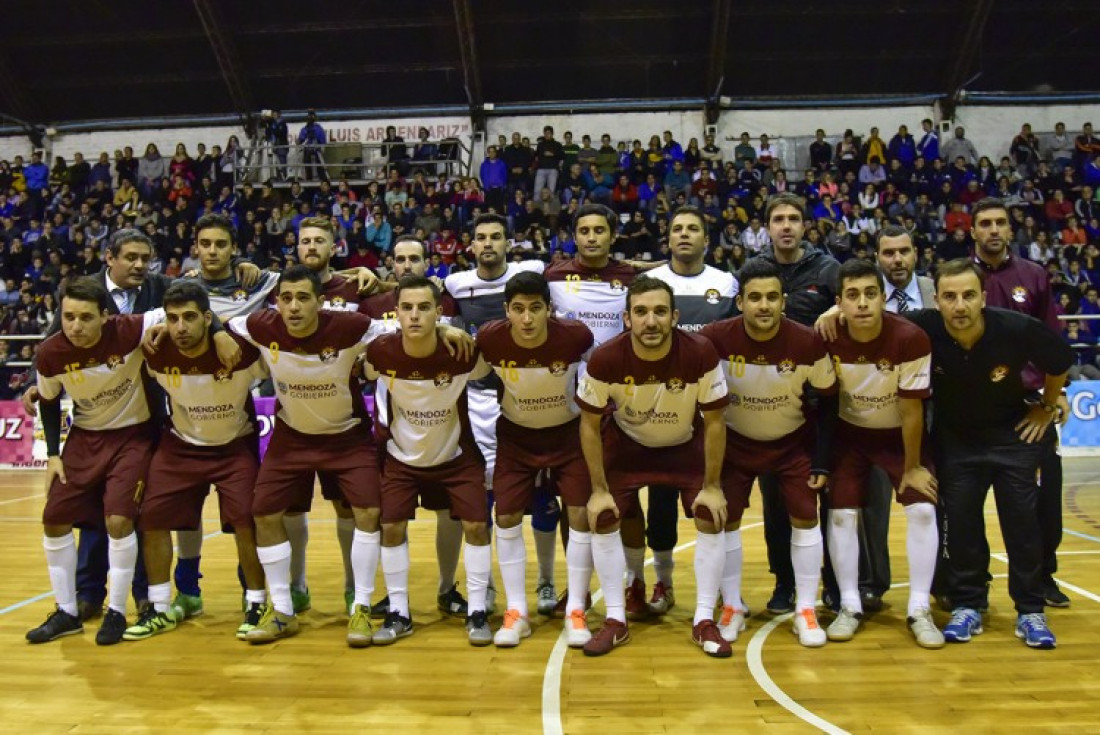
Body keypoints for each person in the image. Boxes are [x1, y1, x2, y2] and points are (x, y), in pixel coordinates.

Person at [226, 266, 462, 646]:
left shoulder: (350, 326)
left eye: (303, 298)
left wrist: (445, 328)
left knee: (369, 513)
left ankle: (363, 608)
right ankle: (282, 609)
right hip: (292, 437)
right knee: (263, 514)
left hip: (347, 437)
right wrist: (219, 334)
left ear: (321, 302)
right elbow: (218, 321)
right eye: (285, 298)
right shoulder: (260, 325)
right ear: (276, 303)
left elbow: (402, 329)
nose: (293, 306)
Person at [25, 277, 236, 645]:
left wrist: (218, 332)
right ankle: (67, 611)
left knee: (120, 520)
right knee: (54, 519)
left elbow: (189, 309)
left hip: (133, 435)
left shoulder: (131, 329)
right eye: (69, 317)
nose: (75, 326)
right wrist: (54, 456)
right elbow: (47, 399)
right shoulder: (50, 353)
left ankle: (119, 611)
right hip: (84, 437)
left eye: (85, 318)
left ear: (105, 317)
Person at [908, 260, 1072, 649]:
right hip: (956, 442)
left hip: (1012, 438)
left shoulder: (1016, 327)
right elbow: (873, 318)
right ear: (937, 301)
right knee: (962, 525)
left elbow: (1060, 362)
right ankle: (969, 604)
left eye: (968, 295)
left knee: (1022, 524)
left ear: (983, 297)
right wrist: (832, 312)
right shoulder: (923, 326)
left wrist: (1045, 407)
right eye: (949, 297)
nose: (959, 305)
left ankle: (1030, 610)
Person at [576, 276, 729, 657]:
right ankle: (616, 618)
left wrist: (713, 485)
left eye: (660, 311)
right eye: (641, 312)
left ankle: (704, 620)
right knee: (605, 515)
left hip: (683, 447)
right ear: (627, 318)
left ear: (675, 316)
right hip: (628, 448)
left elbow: (714, 421)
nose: (651, 321)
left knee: (710, 513)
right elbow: (589, 424)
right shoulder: (606, 357)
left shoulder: (700, 352)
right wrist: (597, 491)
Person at [698, 258, 837, 647]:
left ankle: (806, 610)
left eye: (772, 297)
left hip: (792, 443)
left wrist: (823, 459)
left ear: (784, 301)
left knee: (805, 518)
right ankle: (731, 606)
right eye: (755, 298)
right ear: (740, 302)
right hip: (735, 444)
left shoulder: (808, 342)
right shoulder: (714, 337)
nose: (763, 305)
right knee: (726, 521)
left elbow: (829, 401)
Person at [125, 282, 268, 641]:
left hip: (234, 445)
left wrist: (221, 330)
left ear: (208, 318)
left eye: (190, 317)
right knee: (152, 518)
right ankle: (158, 607)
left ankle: (256, 602)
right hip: (181, 447)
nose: (180, 327)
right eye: (172, 319)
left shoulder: (242, 351)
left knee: (247, 523)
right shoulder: (155, 351)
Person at [364, 275, 493, 646]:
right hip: (401, 458)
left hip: (454, 456)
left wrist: (458, 333)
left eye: (424, 308)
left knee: (476, 527)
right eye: (407, 307)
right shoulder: (380, 353)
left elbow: (490, 354)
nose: (415, 315)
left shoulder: (462, 353)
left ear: (439, 312)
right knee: (390, 530)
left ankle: (477, 611)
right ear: (396, 312)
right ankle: (399, 612)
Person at [823, 259, 942, 648]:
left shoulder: (910, 338)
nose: (862, 303)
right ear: (839, 301)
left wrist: (912, 468)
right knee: (841, 517)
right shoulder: (826, 334)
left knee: (922, 509)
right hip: (850, 436)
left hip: (899, 437)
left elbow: (912, 410)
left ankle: (919, 608)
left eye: (870, 294)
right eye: (852, 295)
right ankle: (850, 605)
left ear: (883, 298)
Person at [476, 271, 595, 647]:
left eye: (535, 309)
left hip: (567, 434)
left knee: (578, 514)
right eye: (518, 309)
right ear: (506, 311)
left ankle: (576, 608)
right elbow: (464, 358)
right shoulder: (490, 339)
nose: (527, 319)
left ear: (550, 310)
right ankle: (516, 611)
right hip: (516, 436)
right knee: (506, 516)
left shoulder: (576, 337)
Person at [632, 206, 738, 617]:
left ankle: (725, 595)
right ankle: (664, 580)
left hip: (710, 409)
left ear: (706, 238)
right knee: (660, 506)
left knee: (716, 502)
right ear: (668, 238)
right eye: (677, 229)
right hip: (664, 408)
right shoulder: (653, 282)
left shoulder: (726, 283)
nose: (685, 235)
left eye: (693, 228)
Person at [965, 197, 1070, 608]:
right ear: (971, 231)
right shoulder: (958, 278)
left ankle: (1044, 576)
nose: (993, 230)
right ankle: (971, 584)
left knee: (1044, 501)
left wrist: (1050, 401)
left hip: (1028, 409)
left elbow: (1054, 346)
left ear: (1011, 230)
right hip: (970, 408)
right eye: (985, 223)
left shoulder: (1035, 276)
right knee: (966, 506)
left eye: (1000, 223)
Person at [360, 236, 468, 619]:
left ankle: (446, 588)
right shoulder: (372, 304)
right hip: (393, 430)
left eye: (414, 259)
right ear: (391, 263)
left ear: (428, 263)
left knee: (449, 515)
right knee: (394, 519)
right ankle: (395, 595)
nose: (407, 265)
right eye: (400, 259)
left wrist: (445, 330)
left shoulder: (448, 305)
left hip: (442, 427)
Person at [755, 193, 840, 613]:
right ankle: (784, 582)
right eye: (778, 219)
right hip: (771, 402)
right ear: (767, 227)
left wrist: (839, 305)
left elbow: (861, 299)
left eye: (793, 218)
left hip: (822, 404)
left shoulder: (828, 269)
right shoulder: (755, 271)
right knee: (776, 503)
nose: (785, 226)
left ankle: (834, 582)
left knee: (830, 497)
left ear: (805, 226)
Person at [297, 110, 327, 182]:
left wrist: (318, 144)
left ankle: (323, 178)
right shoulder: (305, 128)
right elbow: (300, 140)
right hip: (308, 149)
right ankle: (309, 178)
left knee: (319, 162)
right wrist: (299, 141)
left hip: (317, 149)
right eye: (309, 116)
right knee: (306, 159)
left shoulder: (318, 128)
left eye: (312, 116)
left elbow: (322, 140)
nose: (310, 117)